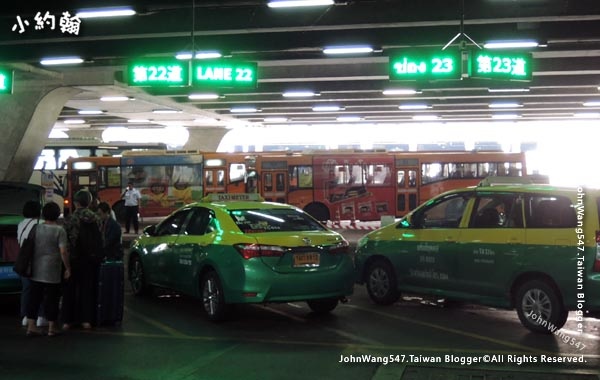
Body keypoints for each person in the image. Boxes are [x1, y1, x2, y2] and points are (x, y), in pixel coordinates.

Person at [25, 202, 69, 336]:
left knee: (34, 298)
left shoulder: (36, 228)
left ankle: (31, 326)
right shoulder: (60, 230)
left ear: (43, 214)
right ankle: (51, 328)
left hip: (36, 269)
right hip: (52, 270)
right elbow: (63, 252)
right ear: (57, 215)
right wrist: (68, 268)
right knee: (52, 299)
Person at [62, 190, 103, 330]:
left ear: (75, 203)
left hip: (73, 259)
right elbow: (99, 238)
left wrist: (66, 264)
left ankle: (67, 320)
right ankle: (86, 320)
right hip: (90, 259)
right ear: (90, 202)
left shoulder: (70, 219)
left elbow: (65, 243)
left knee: (70, 290)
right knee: (88, 289)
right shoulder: (96, 218)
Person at [16, 200, 43, 327]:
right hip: (38, 261)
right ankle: (40, 317)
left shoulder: (21, 224)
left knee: (27, 289)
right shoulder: (41, 223)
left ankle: (25, 316)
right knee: (40, 290)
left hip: (24, 261)